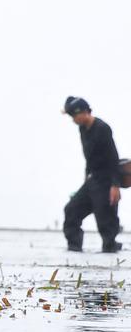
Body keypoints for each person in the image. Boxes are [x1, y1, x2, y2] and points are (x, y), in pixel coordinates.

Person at [61, 96, 124, 253]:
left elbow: (113, 157)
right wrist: (86, 177)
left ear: (84, 112)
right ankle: (74, 247)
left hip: (106, 180)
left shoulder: (102, 128)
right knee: (71, 210)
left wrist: (115, 185)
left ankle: (110, 248)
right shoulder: (82, 128)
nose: (73, 120)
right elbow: (90, 157)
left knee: (105, 219)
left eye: (74, 116)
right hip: (92, 179)